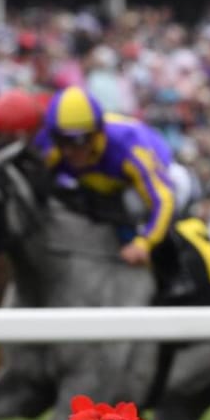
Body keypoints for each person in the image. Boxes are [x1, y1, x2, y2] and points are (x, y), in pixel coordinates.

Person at [33, 86, 197, 297]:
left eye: (78, 141)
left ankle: (174, 273)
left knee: (133, 205)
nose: (68, 151)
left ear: (97, 134)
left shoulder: (128, 148)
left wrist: (144, 243)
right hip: (102, 182)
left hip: (161, 177)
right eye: (61, 141)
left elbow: (163, 199)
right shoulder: (50, 146)